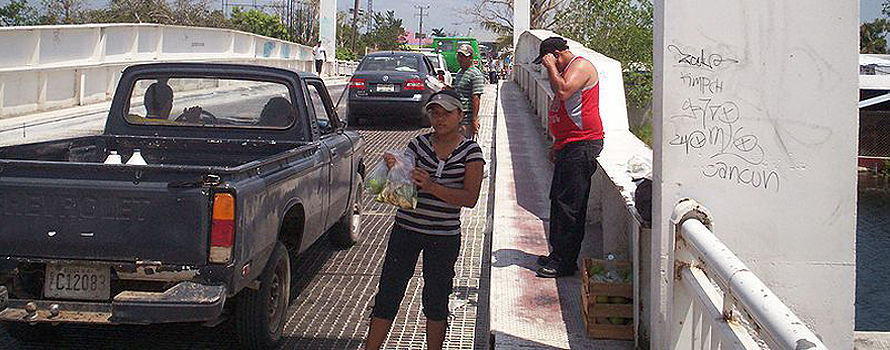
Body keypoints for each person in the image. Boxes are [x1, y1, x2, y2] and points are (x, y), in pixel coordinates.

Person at [365, 90, 485, 350]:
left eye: (446, 114)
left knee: (436, 299)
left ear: (460, 115)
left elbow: (470, 198)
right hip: (406, 230)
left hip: (443, 237)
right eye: (434, 113)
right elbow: (399, 193)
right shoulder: (417, 145)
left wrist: (431, 186)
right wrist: (394, 169)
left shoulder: (471, 152)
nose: (439, 119)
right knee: (388, 293)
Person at [533, 36, 605, 278]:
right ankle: (558, 254)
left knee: (570, 206)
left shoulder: (580, 66)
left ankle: (565, 262)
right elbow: (564, 108)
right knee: (559, 201)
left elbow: (563, 92)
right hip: (568, 145)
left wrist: (552, 67)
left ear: (556, 54)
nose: (546, 67)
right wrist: (557, 142)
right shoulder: (565, 71)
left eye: (547, 60)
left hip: (582, 145)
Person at [449, 44, 485, 140]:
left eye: (463, 57)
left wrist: (474, 119)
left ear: (470, 58)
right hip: (458, 116)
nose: (460, 59)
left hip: (467, 119)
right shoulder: (460, 72)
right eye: (459, 56)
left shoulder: (475, 74)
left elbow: (476, 98)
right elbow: (459, 91)